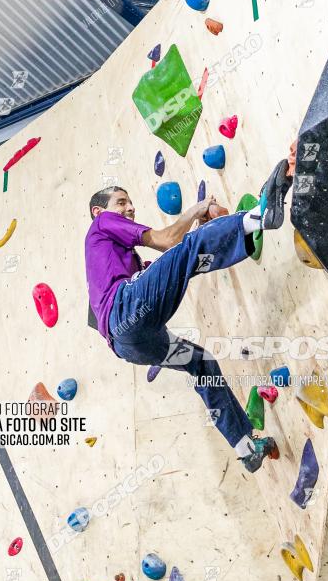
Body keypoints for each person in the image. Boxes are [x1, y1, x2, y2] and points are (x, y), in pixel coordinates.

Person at [84, 155, 294, 473]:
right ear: (99, 212)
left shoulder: (122, 263)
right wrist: (197, 211)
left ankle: (246, 448)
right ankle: (258, 217)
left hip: (132, 344)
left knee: (201, 362)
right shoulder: (101, 224)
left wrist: (201, 234)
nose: (129, 209)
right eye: (121, 202)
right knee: (189, 249)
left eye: (130, 203)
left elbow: (176, 263)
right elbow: (167, 240)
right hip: (128, 311)